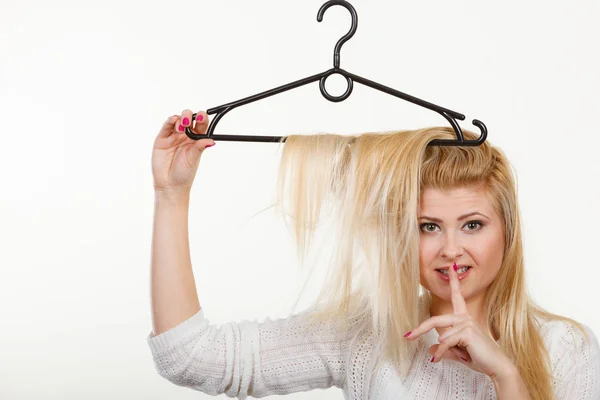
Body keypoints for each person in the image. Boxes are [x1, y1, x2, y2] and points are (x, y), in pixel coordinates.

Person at [147, 109, 600, 400]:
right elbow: (191, 357)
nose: (451, 250)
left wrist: (505, 375)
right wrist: (171, 195)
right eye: (427, 227)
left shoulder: (565, 350)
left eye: (473, 225)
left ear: (507, 231)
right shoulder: (368, 336)